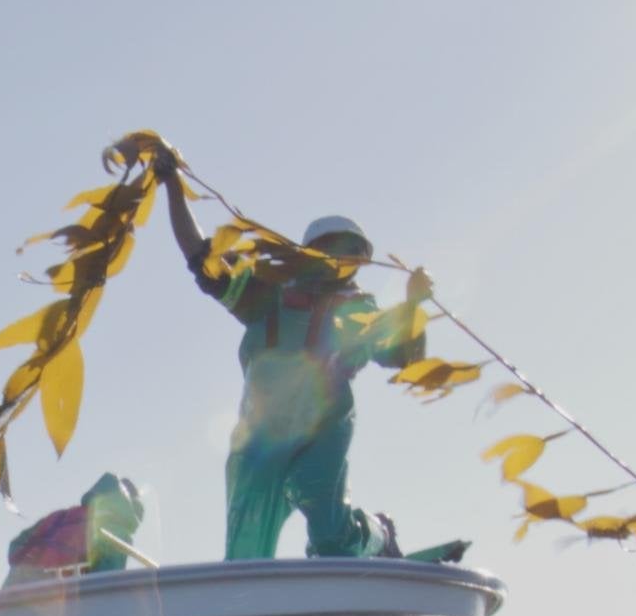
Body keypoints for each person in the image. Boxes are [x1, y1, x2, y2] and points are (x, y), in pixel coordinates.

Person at [156, 147, 433, 562]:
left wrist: (413, 307)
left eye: (351, 253)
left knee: (332, 539)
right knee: (246, 556)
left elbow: (406, 360)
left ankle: (376, 534)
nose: (341, 260)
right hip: (261, 436)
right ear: (308, 252)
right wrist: (173, 184)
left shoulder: (360, 310)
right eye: (332, 249)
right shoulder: (266, 295)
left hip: (325, 428)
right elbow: (199, 254)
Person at [5, 473, 146, 583]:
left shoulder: (59, 516)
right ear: (132, 508)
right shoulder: (116, 532)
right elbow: (106, 582)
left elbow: (15, 548)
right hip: (58, 602)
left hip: (15, 590)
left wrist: (33, 569)